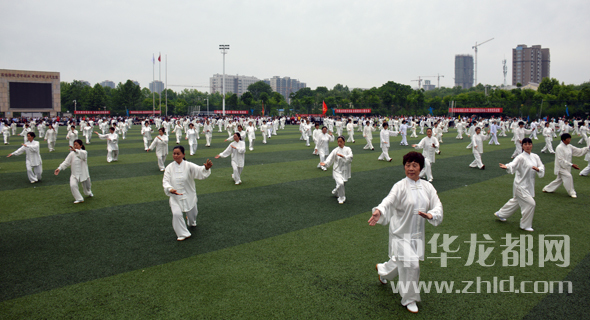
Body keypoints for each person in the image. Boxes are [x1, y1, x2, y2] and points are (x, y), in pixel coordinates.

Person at [368, 151, 443, 314]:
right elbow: (388, 201)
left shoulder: (427, 187)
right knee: (412, 265)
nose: (410, 168)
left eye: (414, 165)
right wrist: (379, 211)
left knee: (402, 261)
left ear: (421, 168)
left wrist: (432, 214)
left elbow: (437, 204)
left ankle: (382, 270)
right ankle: (409, 299)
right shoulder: (400, 186)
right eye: (407, 165)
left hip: (416, 235)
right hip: (400, 234)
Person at [162, 146, 213, 241]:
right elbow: (165, 181)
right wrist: (170, 189)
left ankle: (191, 221)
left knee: (193, 214)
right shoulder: (169, 167)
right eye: (174, 153)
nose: (175, 155)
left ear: (183, 154)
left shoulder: (188, 165)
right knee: (176, 214)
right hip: (175, 197)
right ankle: (182, 234)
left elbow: (199, 170)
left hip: (189, 195)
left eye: (178, 153)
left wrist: (205, 168)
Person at [494, 138, 544, 231]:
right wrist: (507, 166)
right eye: (525, 144)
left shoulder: (535, 156)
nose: (528, 146)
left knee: (516, 201)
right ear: (522, 146)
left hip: (529, 185)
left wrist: (539, 169)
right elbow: (513, 164)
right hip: (520, 185)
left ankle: (500, 214)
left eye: (529, 144)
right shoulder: (520, 157)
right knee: (531, 203)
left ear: (532, 145)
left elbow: (541, 166)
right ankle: (525, 225)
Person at [542, 133, 589, 198]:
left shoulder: (569, 146)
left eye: (570, 138)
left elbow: (578, 151)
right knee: (568, 176)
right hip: (560, 167)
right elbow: (561, 160)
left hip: (567, 167)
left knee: (559, 180)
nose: (569, 140)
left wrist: (587, 148)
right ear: (563, 140)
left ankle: (547, 188)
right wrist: (572, 165)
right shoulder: (559, 148)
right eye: (568, 139)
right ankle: (571, 192)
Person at [54, 139, 93, 204]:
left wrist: (76, 150)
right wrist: (59, 168)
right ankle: (79, 198)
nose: (75, 146)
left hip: (84, 173)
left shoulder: (84, 152)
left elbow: (83, 156)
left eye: (76, 145)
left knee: (87, 187)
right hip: (74, 173)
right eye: (74, 145)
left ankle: (89, 192)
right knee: (73, 185)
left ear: (81, 146)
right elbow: (66, 162)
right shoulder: (71, 154)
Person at [320, 136, 353, 204]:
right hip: (337, 170)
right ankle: (341, 198)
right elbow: (330, 158)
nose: (339, 143)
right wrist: (325, 163)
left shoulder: (348, 149)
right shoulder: (335, 150)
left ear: (344, 142)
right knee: (340, 183)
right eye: (338, 142)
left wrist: (343, 156)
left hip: (345, 170)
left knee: (343, 183)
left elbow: (350, 157)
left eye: (341, 141)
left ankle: (335, 192)